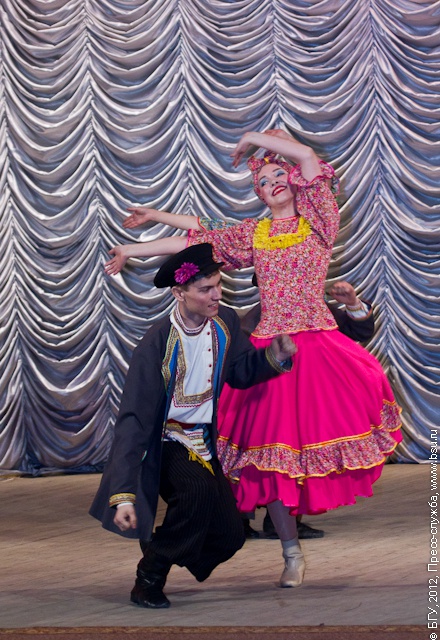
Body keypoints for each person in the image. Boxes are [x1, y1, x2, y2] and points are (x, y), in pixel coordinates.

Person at [103, 128, 402, 589]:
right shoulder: (254, 234)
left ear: (295, 181)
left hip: (318, 348)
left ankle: (291, 540)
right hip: (268, 352)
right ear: (258, 195)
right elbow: (192, 245)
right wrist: (131, 249)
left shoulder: (318, 220)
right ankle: (290, 552)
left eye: (279, 175)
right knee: (269, 459)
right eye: (262, 181)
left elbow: (306, 155)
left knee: (310, 448)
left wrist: (250, 137)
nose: (273, 183)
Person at [90, 243, 296, 608]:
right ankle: (148, 577)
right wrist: (123, 494)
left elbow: (240, 371)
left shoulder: (225, 322)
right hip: (167, 441)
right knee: (196, 492)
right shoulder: (155, 344)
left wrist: (273, 357)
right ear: (179, 293)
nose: (216, 295)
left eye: (218, 285)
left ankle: (161, 545)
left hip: (204, 442)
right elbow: (133, 421)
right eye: (205, 289)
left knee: (231, 535)